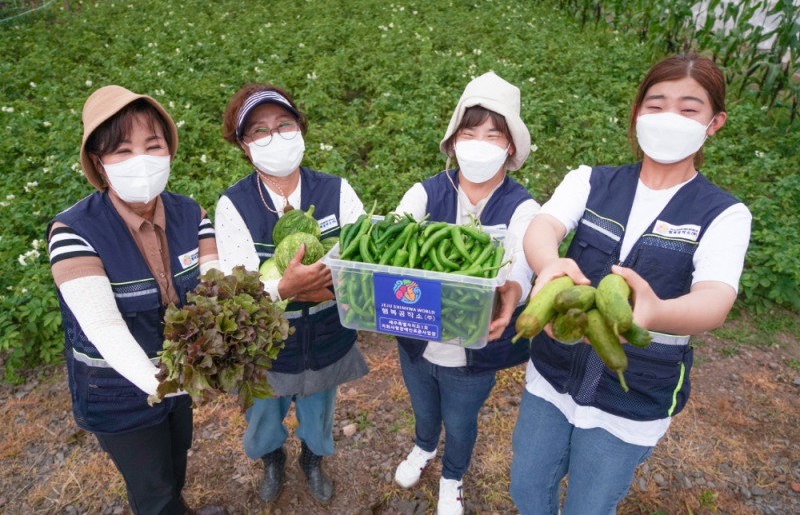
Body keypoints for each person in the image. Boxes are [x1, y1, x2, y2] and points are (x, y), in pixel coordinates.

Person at [510, 53, 752, 514]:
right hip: (552, 372)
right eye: (656, 104)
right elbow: (543, 227)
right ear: (637, 112)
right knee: (526, 489)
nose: (668, 118)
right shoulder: (590, 181)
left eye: (688, 108)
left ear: (714, 122)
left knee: (590, 506)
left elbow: (715, 298)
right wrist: (549, 266)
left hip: (634, 391)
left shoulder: (723, 213)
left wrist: (657, 311)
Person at [46, 86, 225, 515]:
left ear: (169, 151)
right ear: (99, 164)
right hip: (118, 391)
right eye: (122, 150)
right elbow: (104, 326)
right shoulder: (74, 231)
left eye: (153, 145)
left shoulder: (190, 213)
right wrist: (160, 384)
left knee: (177, 457)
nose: (141, 160)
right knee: (153, 490)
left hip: (177, 378)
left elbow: (220, 285)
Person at [391, 71, 539, 515]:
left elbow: (522, 268)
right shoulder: (427, 191)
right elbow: (396, 237)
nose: (478, 143)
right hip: (418, 336)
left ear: (510, 146)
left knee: (460, 420)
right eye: (469, 132)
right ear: (453, 140)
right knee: (424, 409)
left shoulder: (523, 207)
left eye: (493, 134)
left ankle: (452, 477)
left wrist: (512, 289)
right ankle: (422, 448)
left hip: (475, 349)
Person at [214, 83, 369, 504]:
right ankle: (272, 458)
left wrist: (333, 289)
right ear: (244, 146)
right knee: (264, 413)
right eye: (259, 131)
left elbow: (364, 257)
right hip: (268, 348)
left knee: (319, 410)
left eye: (284, 125)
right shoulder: (234, 205)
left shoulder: (336, 190)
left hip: (327, 338)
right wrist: (284, 288)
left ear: (300, 128)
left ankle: (313, 459)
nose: (274, 137)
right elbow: (236, 289)